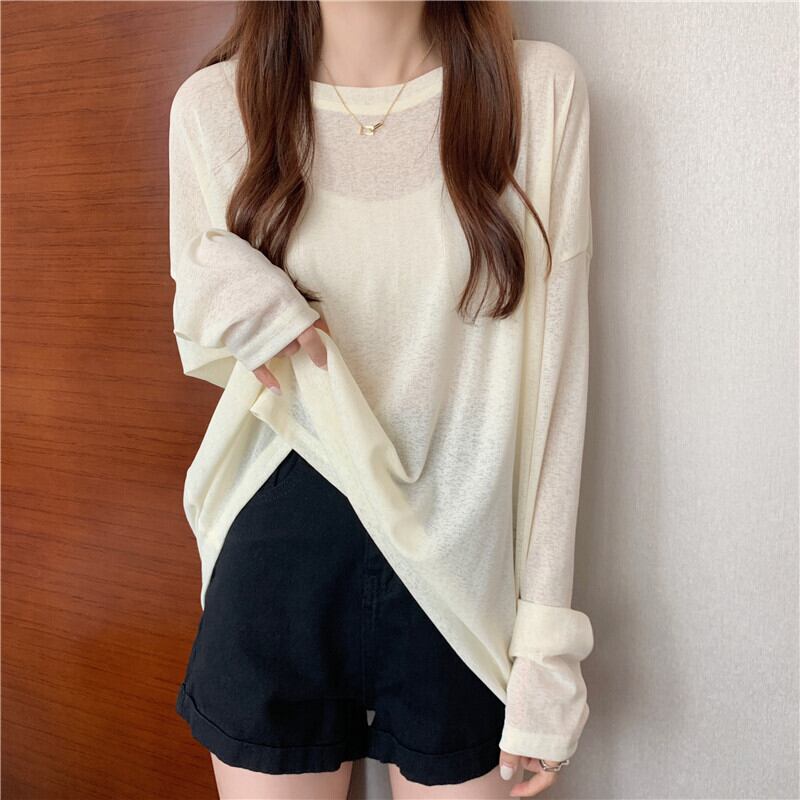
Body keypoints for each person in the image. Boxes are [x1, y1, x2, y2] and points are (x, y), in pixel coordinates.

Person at [169, 1, 595, 797]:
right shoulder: (217, 105)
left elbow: (559, 384)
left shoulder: (536, 92)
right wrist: (247, 297)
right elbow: (197, 299)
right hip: (276, 550)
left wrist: (546, 644)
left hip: (462, 573)